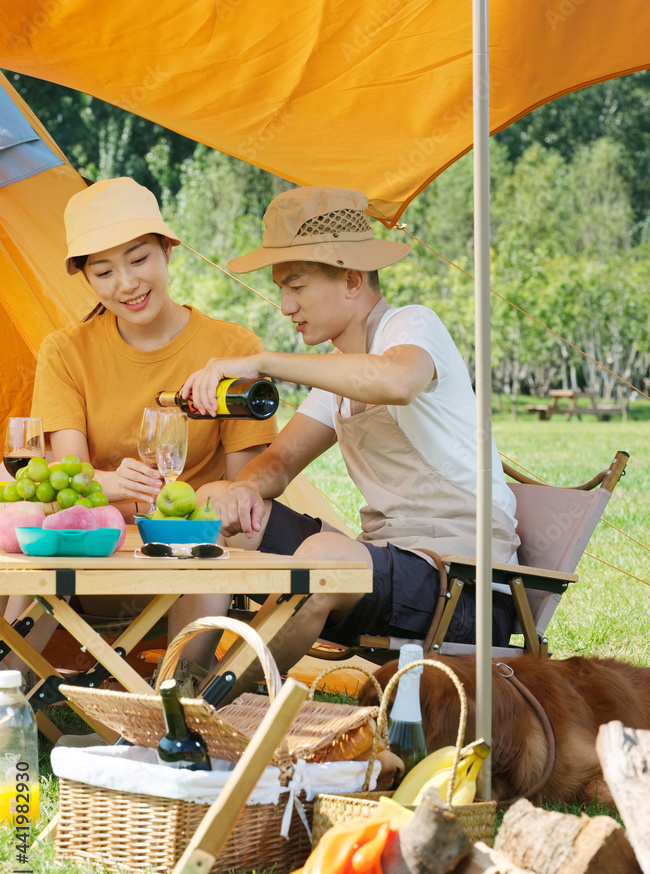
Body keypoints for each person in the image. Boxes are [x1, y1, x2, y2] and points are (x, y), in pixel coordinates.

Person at [181, 186, 521, 676]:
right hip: (386, 567)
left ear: (352, 280)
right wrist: (243, 490)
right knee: (211, 502)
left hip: (465, 590)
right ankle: (176, 684)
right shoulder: (341, 373)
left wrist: (263, 361)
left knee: (323, 556)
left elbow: (397, 381)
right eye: (281, 288)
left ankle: (207, 708)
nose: (284, 305)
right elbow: (277, 464)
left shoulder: (412, 327)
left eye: (295, 286)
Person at [1, 177, 277, 678]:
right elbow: (71, 479)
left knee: (206, 545)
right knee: (39, 544)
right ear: (85, 278)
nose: (126, 284)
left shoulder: (230, 346)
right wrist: (108, 487)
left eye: (138, 259)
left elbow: (241, 493)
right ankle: (11, 702)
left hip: (187, 557)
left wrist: (153, 507)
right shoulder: (66, 352)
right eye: (103, 271)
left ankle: (175, 702)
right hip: (94, 553)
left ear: (168, 251)